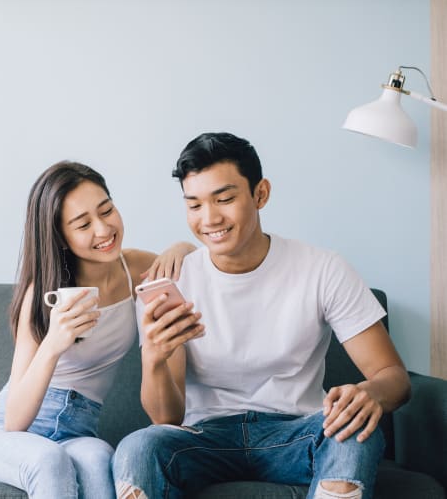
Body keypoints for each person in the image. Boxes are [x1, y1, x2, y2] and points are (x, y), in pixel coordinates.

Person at [113, 132, 411, 499]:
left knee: (354, 431)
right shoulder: (174, 281)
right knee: (138, 448)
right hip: (205, 439)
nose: (209, 219)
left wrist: (369, 394)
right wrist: (155, 358)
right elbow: (166, 419)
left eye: (224, 199)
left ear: (260, 194)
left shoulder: (323, 269)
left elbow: (394, 378)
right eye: (194, 205)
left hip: (299, 433)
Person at [0, 161, 195, 499]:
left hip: (79, 429)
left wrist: (180, 248)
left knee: (100, 458)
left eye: (107, 210)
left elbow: (192, 258)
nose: (103, 230)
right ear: (60, 235)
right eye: (83, 224)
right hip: (5, 435)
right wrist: (54, 344)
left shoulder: (135, 268)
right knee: (48, 460)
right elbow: (14, 421)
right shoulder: (42, 293)